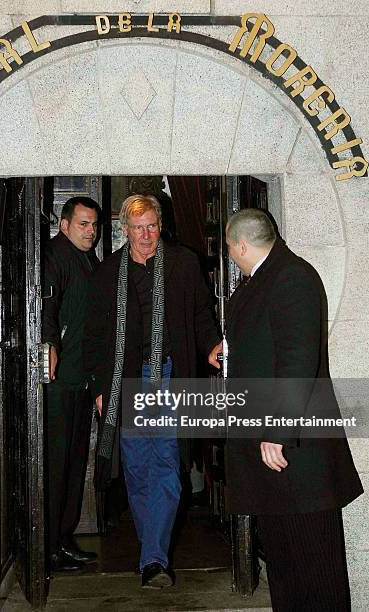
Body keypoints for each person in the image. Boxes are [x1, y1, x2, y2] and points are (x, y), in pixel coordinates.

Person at [224, 208, 363, 611]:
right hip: (276, 455)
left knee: (316, 567)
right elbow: (268, 343)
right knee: (285, 564)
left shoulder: (291, 277)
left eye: (231, 249)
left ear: (242, 245)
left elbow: (298, 360)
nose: (232, 256)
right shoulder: (265, 279)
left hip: (296, 451)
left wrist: (277, 431)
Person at [84, 194, 221, 588]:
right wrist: (98, 387)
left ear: (161, 226)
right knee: (137, 470)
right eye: (137, 228)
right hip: (123, 383)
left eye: (152, 226)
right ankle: (152, 551)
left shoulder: (183, 263)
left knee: (165, 464)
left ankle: (154, 559)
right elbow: (93, 336)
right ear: (124, 231)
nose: (146, 235)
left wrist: (212, 346)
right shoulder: (109, 272)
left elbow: (201, 316)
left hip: (166, 377)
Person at [42, 196, 101, 571]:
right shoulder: (54, 256)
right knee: (56, 465)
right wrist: (48, 344)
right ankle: (47, 545)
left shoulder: (88, 260)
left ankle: (62, 539)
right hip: (59, 383)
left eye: (94, 225)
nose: (91, 232)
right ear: (64, 225)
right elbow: (44, 305)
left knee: (75, 464)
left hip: (81, 379)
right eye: (83, 224)